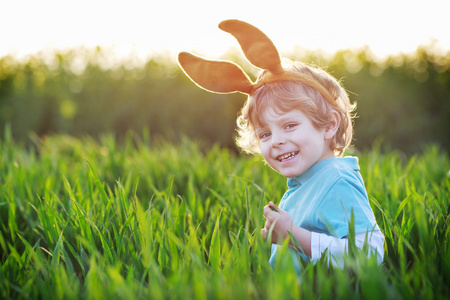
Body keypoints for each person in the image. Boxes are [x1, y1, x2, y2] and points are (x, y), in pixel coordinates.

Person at [178, 19, 384, 271]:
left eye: (289, 125)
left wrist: (294, 237)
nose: (276, 141)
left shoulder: (336, 180)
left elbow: (371, 254)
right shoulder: (308, 182)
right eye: (264, 134)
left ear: (329, 125)